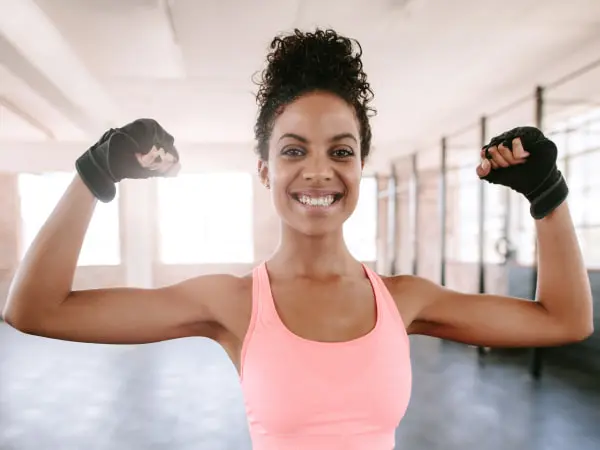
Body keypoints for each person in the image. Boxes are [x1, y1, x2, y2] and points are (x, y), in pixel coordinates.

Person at [2, 28, 593, 450]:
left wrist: (548, 196)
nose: (317, 171)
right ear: (264, 170)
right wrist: (94, 172)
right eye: (292, 151)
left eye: (341, 151)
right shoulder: (231, 303)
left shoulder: (405, 299)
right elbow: (34, 309)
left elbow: (565, 321)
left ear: (361, 166)